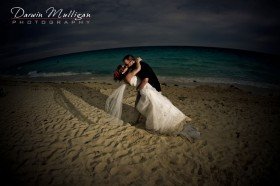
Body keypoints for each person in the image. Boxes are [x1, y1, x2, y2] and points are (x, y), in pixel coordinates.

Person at [107, 58, 193, 136]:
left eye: (125, 65)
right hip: (146, 90)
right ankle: (168, 120)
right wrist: (137, 61)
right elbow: (138, 69)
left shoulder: (127, 76)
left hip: (146, 89)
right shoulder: (128, 76)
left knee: (158, 105)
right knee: (158, 105)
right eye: (123, 67)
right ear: (122, 71)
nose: (125, 66)